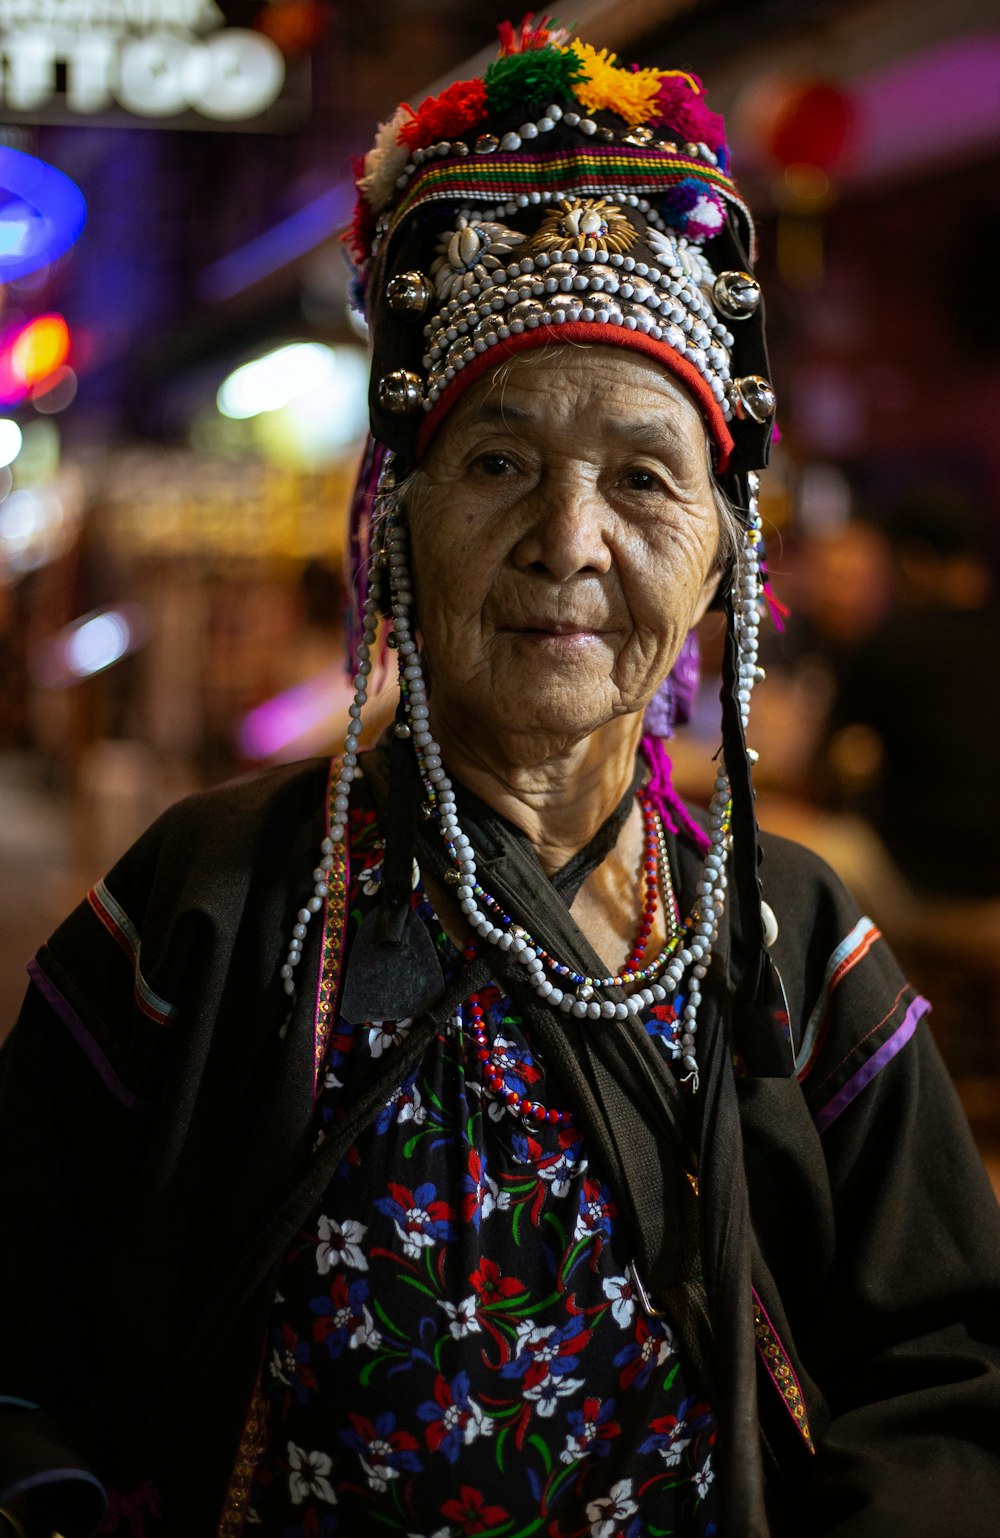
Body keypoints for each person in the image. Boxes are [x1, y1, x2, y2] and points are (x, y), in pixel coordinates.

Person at [2, 20, 1000, 1538]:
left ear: (725, 549)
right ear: (396, 520)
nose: (570, 539)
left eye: (646, 477)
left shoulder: (797, 945)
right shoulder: (202, 908)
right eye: (497, 462)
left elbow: (948, 1376)